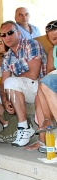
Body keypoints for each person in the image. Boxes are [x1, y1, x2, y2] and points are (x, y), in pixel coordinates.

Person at [0, 20, 47, 147]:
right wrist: (4, 98)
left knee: (11, 82)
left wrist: (10, 86)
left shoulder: (31, 44)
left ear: (19, 33)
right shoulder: (7, 56)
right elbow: (3, 83)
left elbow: (33, 74)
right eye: (3, 35)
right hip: (22, 89)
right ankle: (11, 126)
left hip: (40, 87)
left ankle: (23, 126)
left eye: (10, 33)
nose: (6, 37)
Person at [25, 20, 57, 151]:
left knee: (43, 85)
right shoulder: (52, 51)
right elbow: (50, 70)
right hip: (54, 80)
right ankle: (43, 138)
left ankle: (48, 120)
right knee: (40, 91)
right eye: (54, 39)